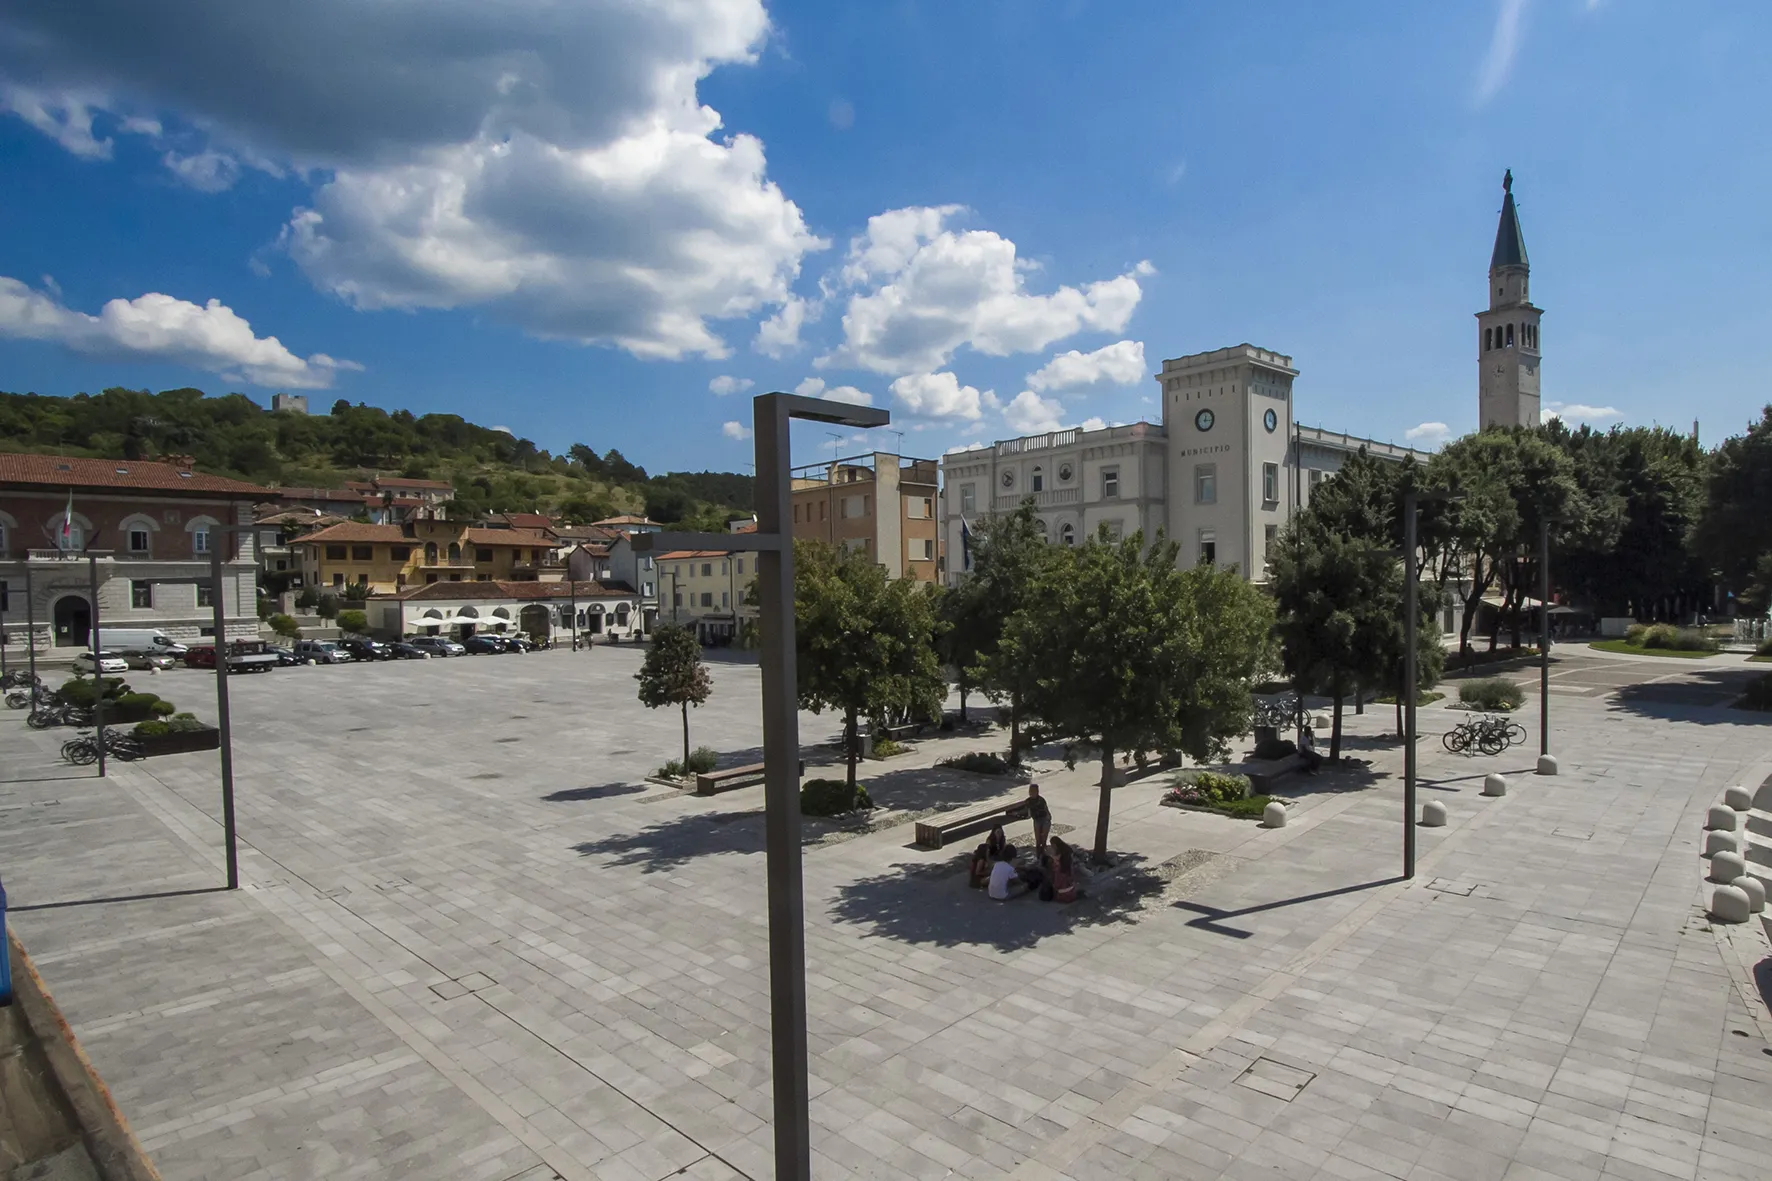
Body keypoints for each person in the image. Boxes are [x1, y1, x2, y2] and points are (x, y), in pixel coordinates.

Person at [1026, 783, 1051, 855]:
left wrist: (1048, 816)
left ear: (1037, 792)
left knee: (1044, 836)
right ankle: (1038, 851)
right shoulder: (1028, 801)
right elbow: (1026, 810)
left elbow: (1046, 809)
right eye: (1030, 791)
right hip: (1036, 820)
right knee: (1038, 838)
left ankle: (1043, 848)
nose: (1031, 793)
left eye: (1033, 791)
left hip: (1044, 818)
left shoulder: (1041, 800)